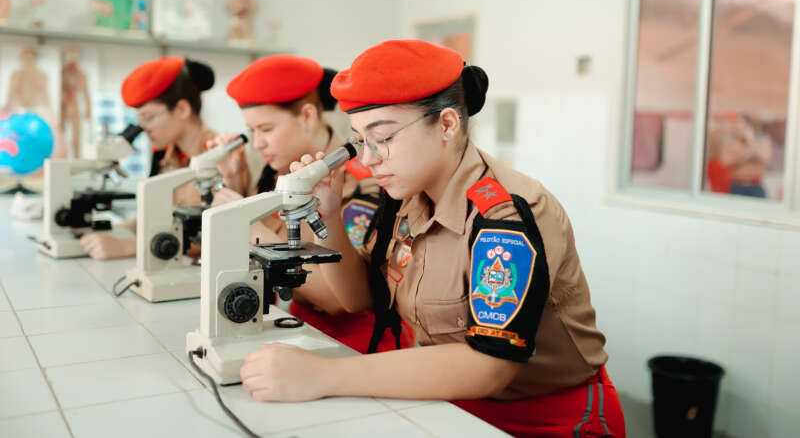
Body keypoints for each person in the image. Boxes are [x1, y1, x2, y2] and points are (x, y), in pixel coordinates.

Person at [239, 40, 625, 438]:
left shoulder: (504, 216)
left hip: (546, 419)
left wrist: (322, 375)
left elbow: (490, 365)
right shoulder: (410, 199)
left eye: (383, 137)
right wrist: (330, 216)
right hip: (451, 405)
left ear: (446, 125)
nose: (368, 159)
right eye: (360, 141)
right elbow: (360, 299)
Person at [211, 54, 414, 353]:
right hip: (297, 335)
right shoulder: (278, 175)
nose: (257, 143)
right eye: (252, 131)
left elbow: (338, 301)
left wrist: (246, 226)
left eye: (266, 129)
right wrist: (232, 184)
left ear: (307, 116)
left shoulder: (364, 185)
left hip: (355, 350)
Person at [79, 56, 216, 259]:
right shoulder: (167, 156)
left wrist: (131, 246)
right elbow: (163, 215)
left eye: (149, 117)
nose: (143, 127)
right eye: (139, 119)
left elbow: (219, 236)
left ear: (182, 109)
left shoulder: (220, 157)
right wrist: (120, 229)